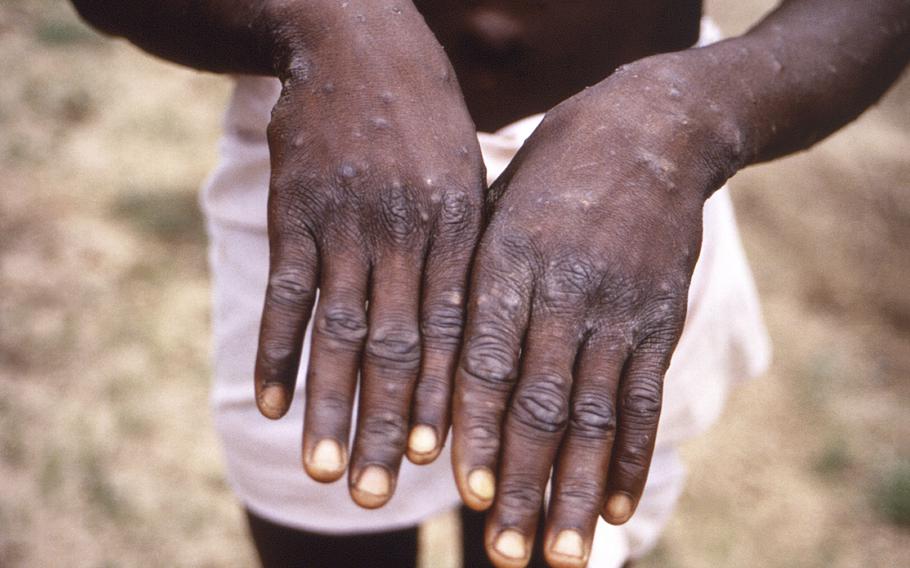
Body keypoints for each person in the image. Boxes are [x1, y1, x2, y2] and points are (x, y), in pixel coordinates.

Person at [69, 1, 909, 567]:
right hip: (341, 144)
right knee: (321, 527)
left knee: (555, 535)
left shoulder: (666, 142)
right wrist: (323, 18)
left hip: (628, 190)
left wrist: (688, 120)